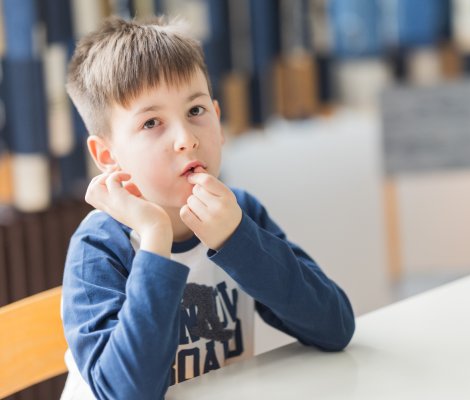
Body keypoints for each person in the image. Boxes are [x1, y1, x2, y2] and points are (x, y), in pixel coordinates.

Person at [60, 15, 355, 400]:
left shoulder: (239, 213)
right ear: (107, 155)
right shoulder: (98, 247)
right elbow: (127, 392)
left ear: (217, 117)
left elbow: (335, 327)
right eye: (151, 122)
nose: (186, 138)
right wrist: (154, 239)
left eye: (195, 111)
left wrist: (237, 239)